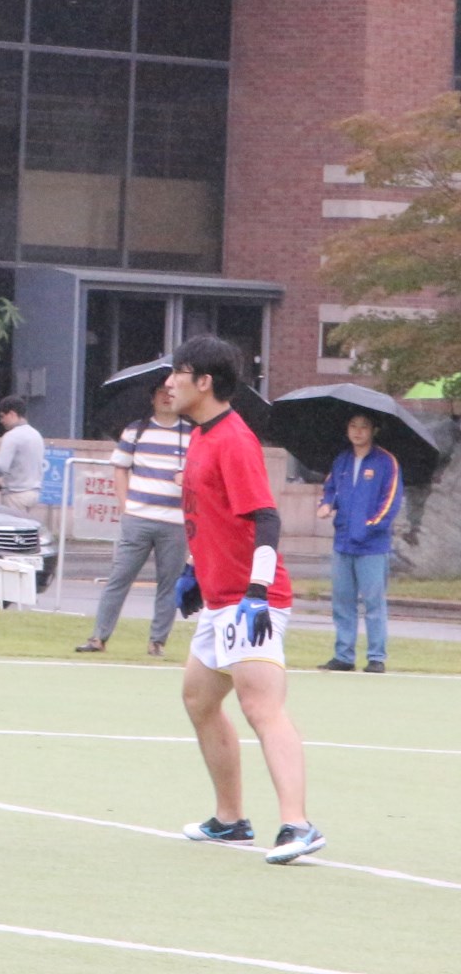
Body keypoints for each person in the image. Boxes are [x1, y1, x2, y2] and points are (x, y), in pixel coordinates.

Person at [167, 334, 321, 863]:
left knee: (261, 707)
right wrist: (193, 570)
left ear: (204, 382)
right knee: (199, 699)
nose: (169, 382)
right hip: (219, 599)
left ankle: (297, 825)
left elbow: (266, 516)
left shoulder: (233, 438)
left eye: (178, 372)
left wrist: (255, 590)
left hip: (248, 600)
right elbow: (213, 518)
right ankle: (230, 820)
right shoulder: (202, 438)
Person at [77, 378, 191, 656]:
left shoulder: (192, 435)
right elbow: (120, 468)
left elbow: (204, 473)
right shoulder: (135, 430)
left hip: (176, 522)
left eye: (171, 392)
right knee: (119, 577)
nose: (166, 397)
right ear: (152, 398)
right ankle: (98, 637)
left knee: (169, 584)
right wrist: (124, 505)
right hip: (138, 518)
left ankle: (157, 642)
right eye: (160, 392)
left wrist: (187, 478)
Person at [317, 413, 402, 674]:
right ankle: (343, 655)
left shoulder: (386, 462)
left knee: (374, 602)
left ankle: (376, 656)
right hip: (343, 542)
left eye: (363, 427)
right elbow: (331, 489)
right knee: (342, 601)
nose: (357, 431)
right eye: (353, 426)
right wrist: (326, 504)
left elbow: (390, 502)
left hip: (372, 547)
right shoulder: (341, 460)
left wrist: (368, 527)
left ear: (373, 430)